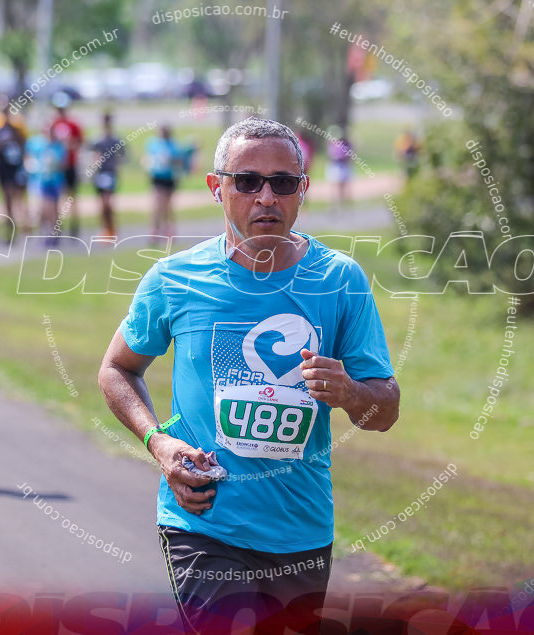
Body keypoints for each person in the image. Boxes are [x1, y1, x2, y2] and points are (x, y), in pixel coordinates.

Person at [99, 118, 400, 632]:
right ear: (218, 188)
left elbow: (384, 411)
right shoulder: (175, 279)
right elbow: (117, 369)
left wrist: (349, 393)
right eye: (247, 181)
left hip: (300, 529)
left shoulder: (339, 279)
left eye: (283, 183)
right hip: (205, 520)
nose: (266, 197)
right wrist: (158, 443)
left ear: (302, 192)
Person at [0, 97, 28, 240]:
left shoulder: (18, 123)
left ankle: (24, 226)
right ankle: (9, 226)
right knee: (6, 196)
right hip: (3, 165)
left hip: (16, 164)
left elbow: (24, 142)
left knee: (19, 196)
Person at [48, 93, 83, 237]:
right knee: (55, 197)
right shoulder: (52, 124)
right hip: (57, 167)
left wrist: (70, 146)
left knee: (71, 196)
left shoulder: (73, 124)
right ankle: (57, 227)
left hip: (70, 164)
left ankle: (74, 226)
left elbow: (79, 142)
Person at [24, 125, 66, 242]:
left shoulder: (58, 146)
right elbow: (29, 158)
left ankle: (55, 232)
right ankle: (50, 231)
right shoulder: (36, 144)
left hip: (55, 181)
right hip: (42, 181)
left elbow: (62, 164)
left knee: (54, 208)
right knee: (45, 208)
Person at [144, 125, 184, 241]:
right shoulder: (154, 144)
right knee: (157, 204)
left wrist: (171, 162)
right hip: (158, 177)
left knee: (167, 205)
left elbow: (178, 161)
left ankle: (168, 228)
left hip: (169, 177)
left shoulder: (173, 145)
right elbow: (148, 159)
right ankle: (155, 229)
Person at [90, 112, 124, 240]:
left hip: (110, 173)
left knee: (107, 202)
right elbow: (91, 156)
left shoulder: (116, 140)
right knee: (101, 204)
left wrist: (116, 164)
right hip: (99, 174)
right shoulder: (96, 140)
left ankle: (111, 228)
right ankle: (105, 228)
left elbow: (123, 156)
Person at [325, 126, 353, 205]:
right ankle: (334, 203)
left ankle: (343, 203)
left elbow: (349, 155)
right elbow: (330, 155)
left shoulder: (346, 144)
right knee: (334, 185)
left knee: (343, 186)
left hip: (343, 165)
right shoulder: (331, 144)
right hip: (335, 165)